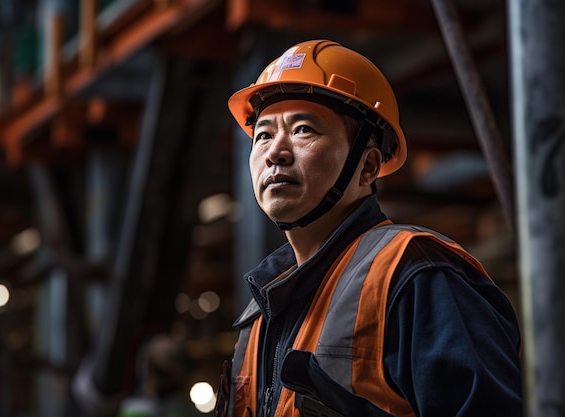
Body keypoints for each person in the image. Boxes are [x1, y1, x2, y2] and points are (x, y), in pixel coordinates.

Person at [216, 39, 522, 417]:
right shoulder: (261, 310)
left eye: (303, 130)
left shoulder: (418, 276)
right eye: (263, 134)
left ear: (368, 166)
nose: (275, 152)